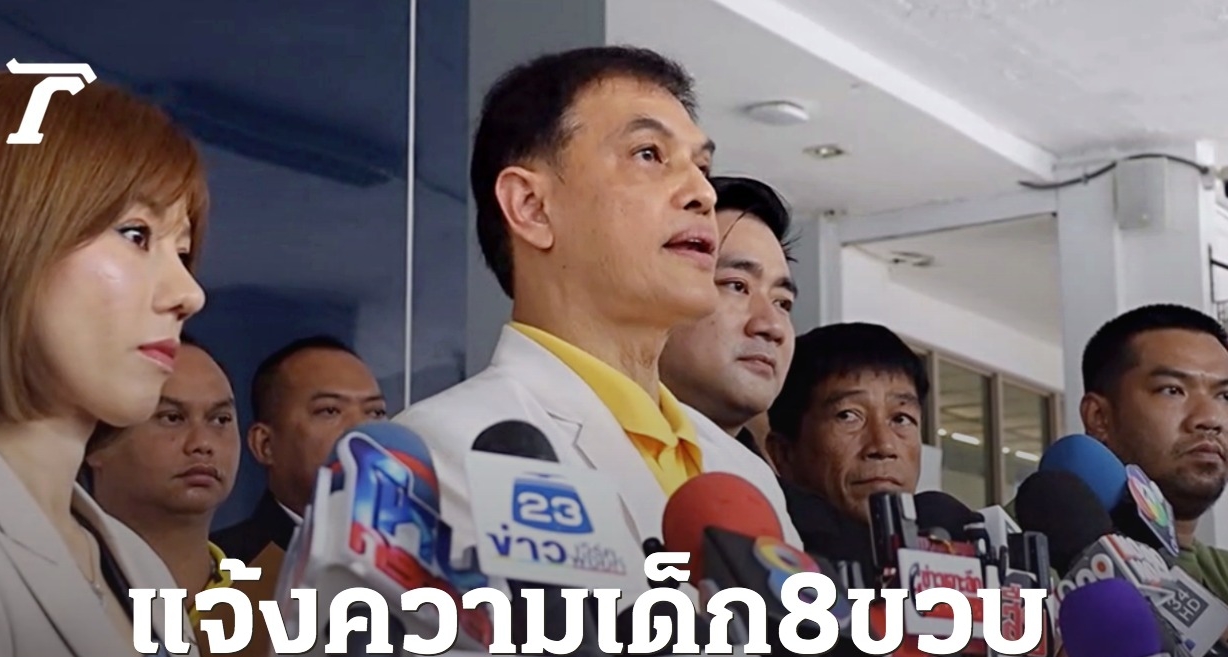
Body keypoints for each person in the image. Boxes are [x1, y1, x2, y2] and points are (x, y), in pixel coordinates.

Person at [0, 70, 403, 657]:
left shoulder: (128, 559)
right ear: (0, 240)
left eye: (183, 252)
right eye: (136, 236)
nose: (188, 293)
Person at [395, 46, 799, 564]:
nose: (703, 193)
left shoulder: (746, 479)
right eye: (649, 154)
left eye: (702, 166)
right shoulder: (432, 455)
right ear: (532, 207)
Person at [210, 335, 384, 657]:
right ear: (265, 445)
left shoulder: (424, 573)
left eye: (376, 413)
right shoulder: (221, 573)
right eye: (329, 411)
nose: (362, 431)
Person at [83, 335, 239, 657]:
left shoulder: (283, 601)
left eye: (220, 420)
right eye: (171, 417)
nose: (202, 443)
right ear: (93, 441)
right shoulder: (51, 590)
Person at [1078, 303, 1228, 602]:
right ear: (1099, 417)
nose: (1210, 418)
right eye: (1172, 390)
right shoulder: (1010, 556)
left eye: (1225, 395)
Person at [659, 175, 796, 461]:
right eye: (736, 285)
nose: (771, 326)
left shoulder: (769, 487)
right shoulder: (574, 457)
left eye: (782, 303)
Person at [766, 323, 929, 562]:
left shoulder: (945, 549)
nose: (883, 446)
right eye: (848, 416)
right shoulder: (763, 560)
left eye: (901, 419)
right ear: (783, 453)